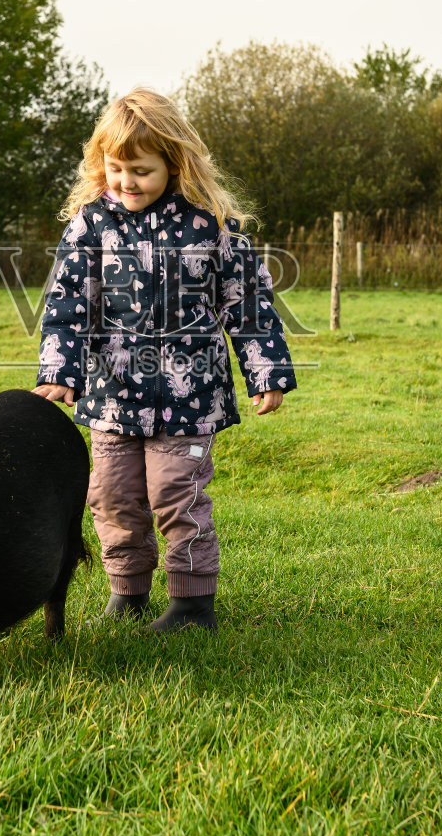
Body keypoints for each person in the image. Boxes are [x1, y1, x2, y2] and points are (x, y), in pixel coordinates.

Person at [33, 87, 296, 632]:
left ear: (174, 164)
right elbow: (67, 304)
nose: (126, 182)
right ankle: (127, 592)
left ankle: (192, 605)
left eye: (141, 171)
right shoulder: (91, 226)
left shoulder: (210, 225)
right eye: (115, 169)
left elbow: (247, 301)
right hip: (112, 398)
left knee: (176, 495)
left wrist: (266, 370)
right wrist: (60, 371)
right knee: (112, 498)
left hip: (190, 397)